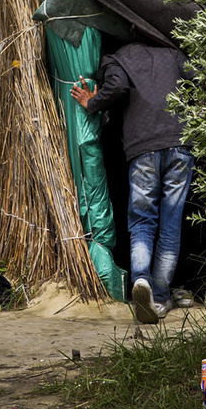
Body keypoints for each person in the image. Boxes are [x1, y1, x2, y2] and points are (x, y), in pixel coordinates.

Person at [71, 39, 194, 324]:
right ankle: (161, 298)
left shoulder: (116, 58)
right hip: (181, 144)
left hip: (143, 148)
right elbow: (200, 81)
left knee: (142, 222)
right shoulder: (173, 55)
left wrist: (92, 101)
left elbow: (117, 87)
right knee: (171, 223)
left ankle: (142, 282)